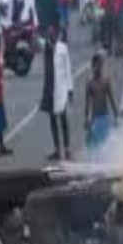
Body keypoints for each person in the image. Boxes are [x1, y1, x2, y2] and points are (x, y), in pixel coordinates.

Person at [41, 24, 73, 161]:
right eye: (49, 34)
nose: (51, 35)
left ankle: (66, 148)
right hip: (50, 88)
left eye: (53, 33)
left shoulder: (62, 48)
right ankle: (56, 149)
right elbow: (36, 44)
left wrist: (70, 89)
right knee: (52, 120)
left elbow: (68, 68)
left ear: (57, 34)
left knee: (63, 119)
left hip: (62, 88)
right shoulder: (47, 48)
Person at [84, 53, 118, 153]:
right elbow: (87, 104)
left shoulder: (106, 81)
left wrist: (116, 117)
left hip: (105, 117)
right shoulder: (90, 83)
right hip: (95, 118)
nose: (99, 68)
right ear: (93, 66)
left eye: (101, 65)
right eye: (97, 65)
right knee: (94, 147)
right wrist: (86, 119)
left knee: (106, 145)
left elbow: (112, 100)